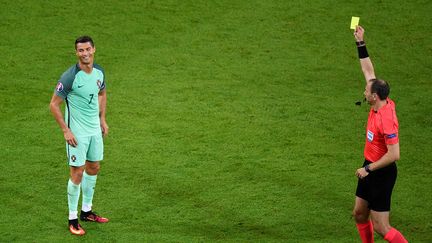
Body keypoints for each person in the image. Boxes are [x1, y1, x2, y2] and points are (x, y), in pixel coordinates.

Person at [351, 26, 408, 243]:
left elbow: (394, 155)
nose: (364, 92)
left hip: (381, 172)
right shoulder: (379, 101)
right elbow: (368, 70)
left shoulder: (386, 120)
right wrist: (360, 42)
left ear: (374, 96)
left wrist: (368, 169)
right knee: (359, 213)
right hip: (369, 165)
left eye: (367, 91)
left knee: (381, 227)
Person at [50, 36, 109, 236]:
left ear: (94, 49)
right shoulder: (69, 77)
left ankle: (87, 211)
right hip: (77, 134)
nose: (85, 53)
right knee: (77, 172)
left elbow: (102, 93)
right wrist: (66, 130)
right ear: (76, 53)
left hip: (94, 130)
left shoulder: (99, 72)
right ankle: (73, 219)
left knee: (94, 167)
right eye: (81, 50)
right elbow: (53, 104)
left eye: (87, 49)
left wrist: (102, 119)